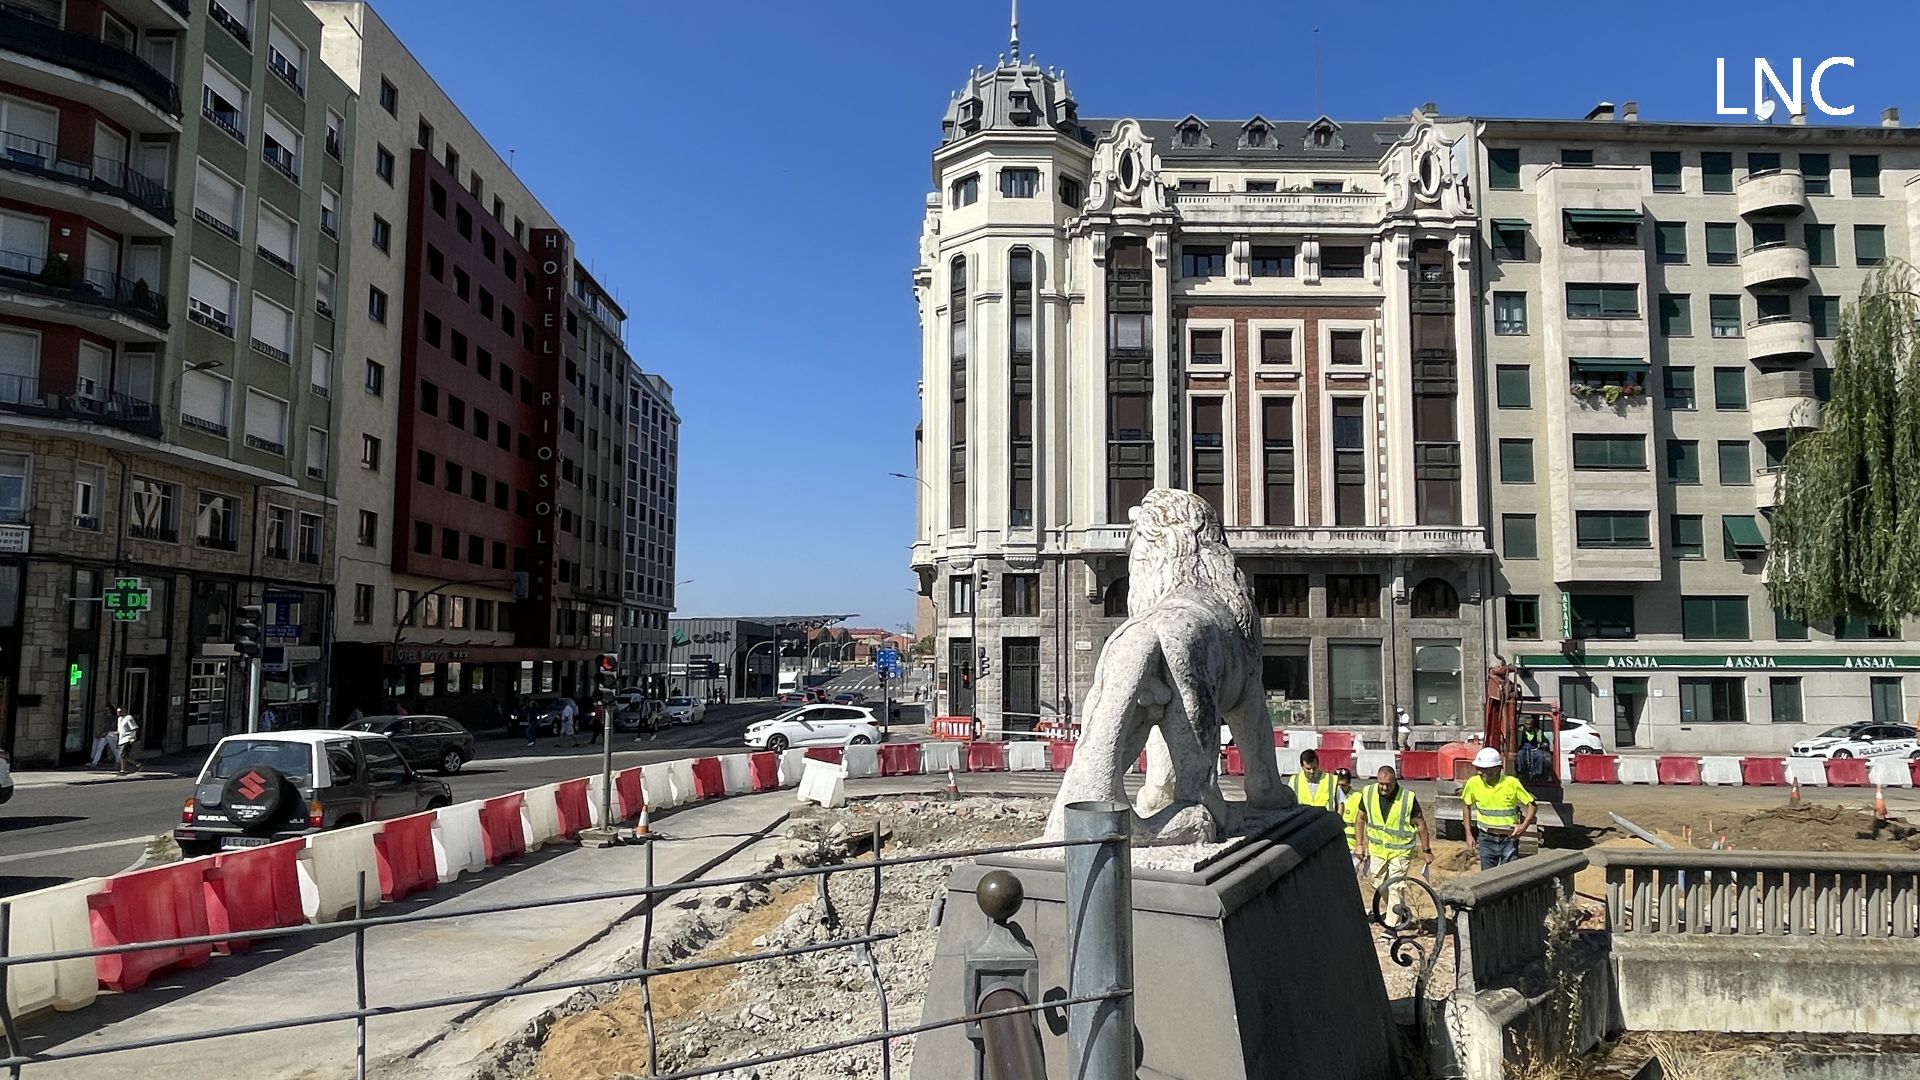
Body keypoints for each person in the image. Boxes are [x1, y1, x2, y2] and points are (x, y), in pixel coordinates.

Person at [1353, 766, 1434, 927]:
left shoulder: (1407, 798)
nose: (1384, 787)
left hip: (1401, 850)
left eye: (1388, 784)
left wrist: (1427, 850)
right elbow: (1360, 818)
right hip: (1378, 849)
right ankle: (1400, 911)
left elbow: (1421, 825)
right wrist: (1360, 845)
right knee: (1378, 883)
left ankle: (1391, 926)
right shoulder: (1368, 793)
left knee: (1395, 885)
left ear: (1395, 781)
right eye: (1381, 783)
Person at [1461, 747, 1537, 869]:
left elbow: (1532, 806)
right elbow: (1466, 806)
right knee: (1488, 879)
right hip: (1486, 838)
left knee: (1508, 878)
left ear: (1497, 769)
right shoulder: (1473, 783)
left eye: (1484, 769)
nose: (1480, 772)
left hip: (1509, 839)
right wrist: (1469, 835)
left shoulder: (1511, 783)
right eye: (1478, 768)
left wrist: (1523, 827)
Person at [1335, 768, 1361, 851]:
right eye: (1337, 785)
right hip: (1335, 847)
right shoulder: (1329, 798)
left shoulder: (1358, 797)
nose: (1339, 789)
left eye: (1342, 785)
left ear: (1349, 783)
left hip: (1352, 847)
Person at [90, 702, 122, 769]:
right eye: (105, 710)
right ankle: (94, 762)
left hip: (111, 734)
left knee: (114, 749)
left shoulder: (114, 718)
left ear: (110, 710)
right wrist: (102, 733)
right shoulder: (106, 717)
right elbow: (105, 727)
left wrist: (105, 732)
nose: (106, 711)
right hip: (106, 734)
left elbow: (112, 726)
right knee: (100, 747)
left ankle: (118, 762)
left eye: (107, 710)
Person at [115, 706, 140, 775]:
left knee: (122, 755)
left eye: (120, 712)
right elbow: (119, 730)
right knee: (125, 756)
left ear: (124, 711)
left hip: (128, 738)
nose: (118, 713)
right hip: (121, 739)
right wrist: (114, 733)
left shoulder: (129, 718)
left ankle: (123, 770)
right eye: (117, 712)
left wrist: (133, 737)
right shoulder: (119, 719)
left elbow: (135, 728)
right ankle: (138, 764)